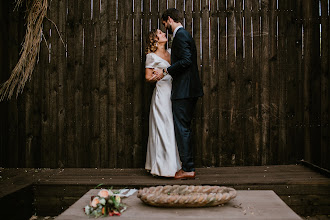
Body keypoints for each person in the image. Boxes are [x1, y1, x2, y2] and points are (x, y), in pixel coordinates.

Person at [153, 8, 204, 179]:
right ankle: (188, 166)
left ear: (169, 19)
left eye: (164, 24)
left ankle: (188, 168)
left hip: (184, 90)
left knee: (182, 129)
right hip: (189, 89)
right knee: (185, 128)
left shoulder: (180, 36)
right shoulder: (184, 35)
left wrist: (166, 70)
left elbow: (186, 61)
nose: (165, 27)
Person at [144, 29, 182, 177]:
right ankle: (162, 166)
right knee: (162, 126)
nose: (164, 34)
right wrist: (157, 76)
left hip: (174, 92)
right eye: (160, 33)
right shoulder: (151, 56)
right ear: (155, 39)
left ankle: (173, 163)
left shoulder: (171, 53)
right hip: (161, 94)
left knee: (171, 126)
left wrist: (165, 72)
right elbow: (148, 78)